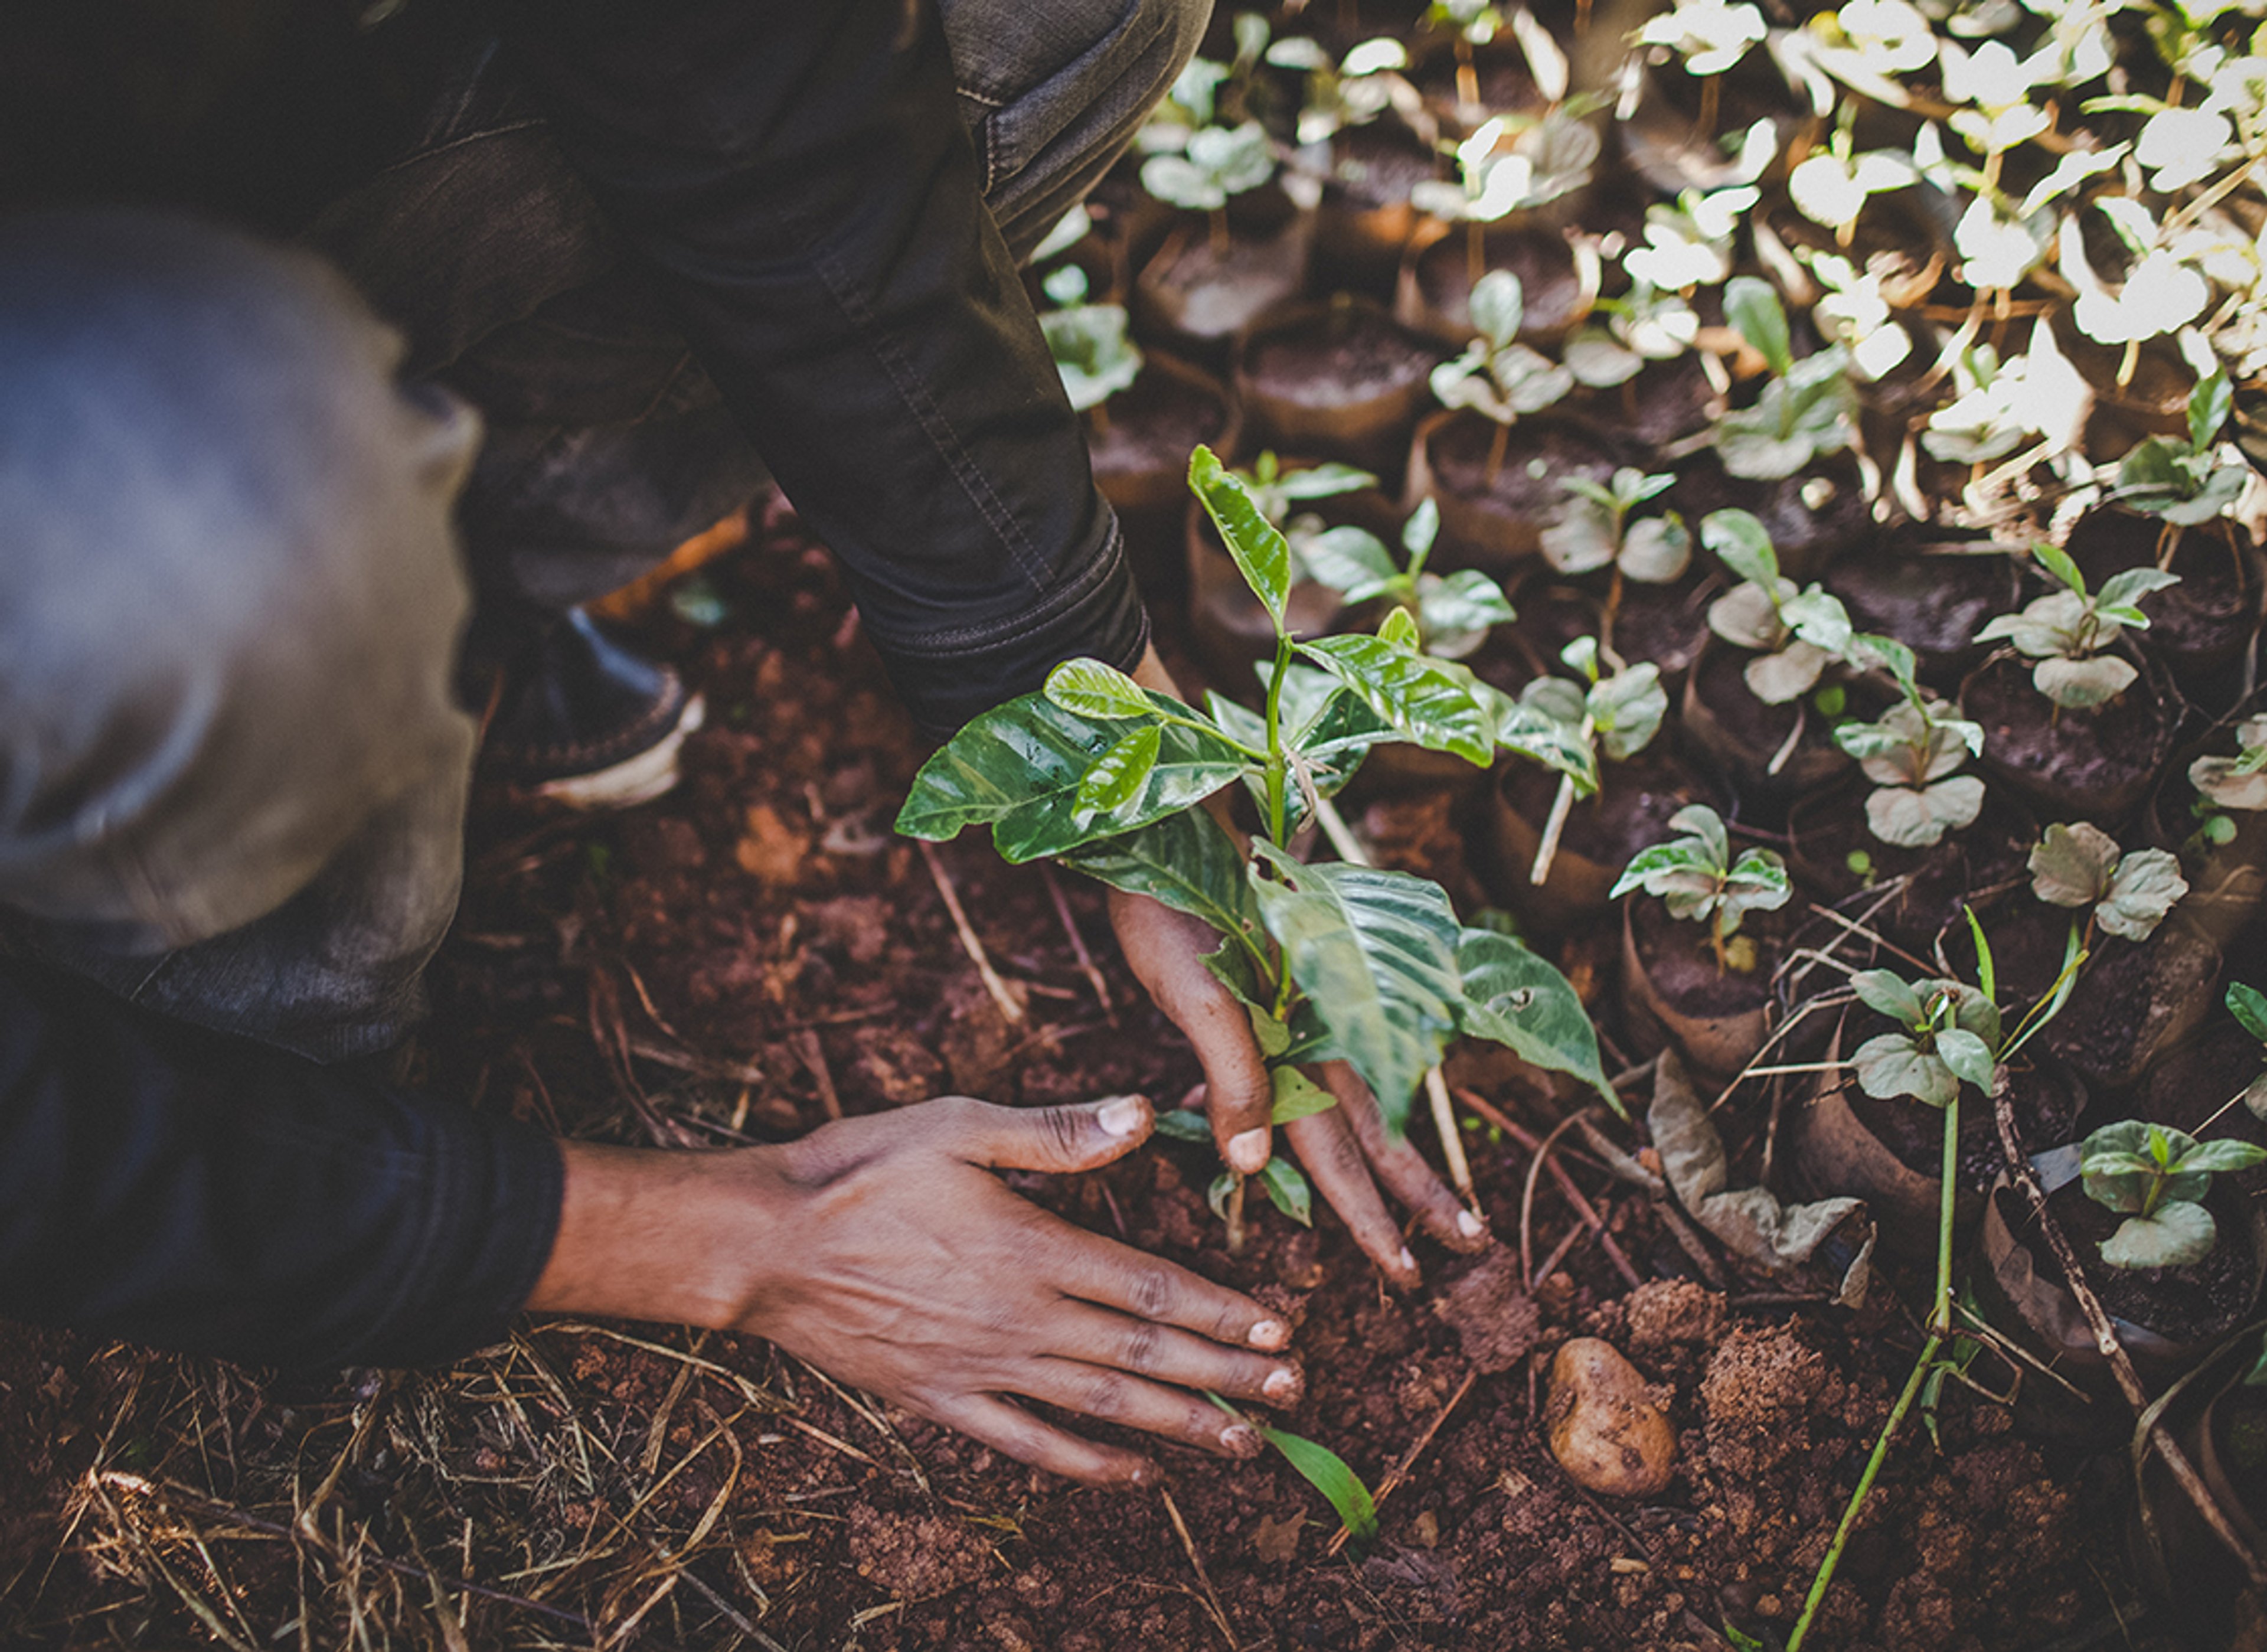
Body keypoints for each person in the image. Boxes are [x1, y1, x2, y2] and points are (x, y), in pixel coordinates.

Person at [0, 0, 1487, 1487]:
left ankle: (429, 591)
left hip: (171, 158)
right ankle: (226, 982)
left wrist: (1107, 739)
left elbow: (747, 63)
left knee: (1062, 23)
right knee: (199, 514)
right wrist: (748, 1241)